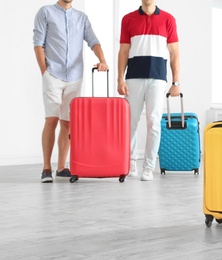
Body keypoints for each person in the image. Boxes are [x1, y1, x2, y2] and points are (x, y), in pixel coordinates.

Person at [33, 0, 109, 183]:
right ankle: (46, 168)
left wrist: (102, 59)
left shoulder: (82, 18)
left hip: (75, 77)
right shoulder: (45, 12)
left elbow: (93, 41)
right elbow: (38, 44)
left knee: (67, 123)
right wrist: (45, 72)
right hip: (53, 74)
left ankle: (61, 167)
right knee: (51, 119)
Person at [117, 0, 181, 181]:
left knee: (153, 122)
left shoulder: (168, 19)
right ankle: (130, 163)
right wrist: (120, 78)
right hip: (133, 77)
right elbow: (123, 51)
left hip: (157, 78)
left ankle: (148, 166)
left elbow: (175, 52)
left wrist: (176, 81)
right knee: (130, 123)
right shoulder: (128, 19)